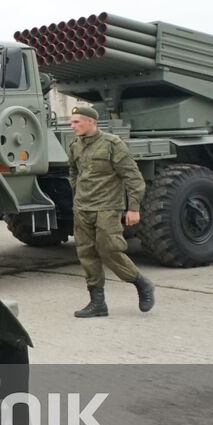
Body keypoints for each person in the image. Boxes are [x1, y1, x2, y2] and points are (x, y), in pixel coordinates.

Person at [67, 103, 155, 317]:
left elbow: (133, 178)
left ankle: (141, 283)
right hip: (83, 207)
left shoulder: (112, 144)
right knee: (86, 253)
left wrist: (133, 208)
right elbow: (73, 172)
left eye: (77, 122)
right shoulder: (75, 146)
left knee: (109, 250)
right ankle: (98, 304)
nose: (73, 126)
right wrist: (78, 193)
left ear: (91, 122)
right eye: (72, 122)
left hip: (107, 207)